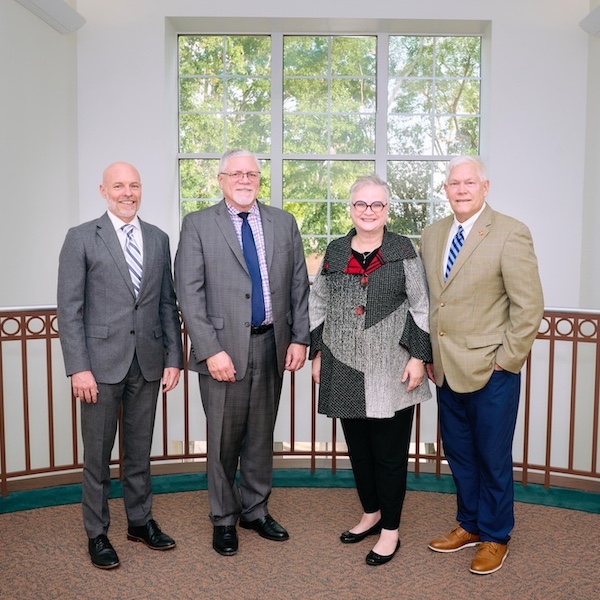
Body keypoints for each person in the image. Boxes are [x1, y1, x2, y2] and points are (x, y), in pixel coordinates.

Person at [174, 149, 310, 557]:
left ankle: (254, 509)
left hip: (272, 344)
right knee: (223, 440)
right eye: (236, 173)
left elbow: (299, 285)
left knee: (259, 435)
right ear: (221, 179)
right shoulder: (198, 225)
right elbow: (189, 295)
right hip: (222, 352)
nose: (245, 179)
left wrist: (300, 338)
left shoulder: (283, 223)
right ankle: (224, 518)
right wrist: (210, 350)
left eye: (252, 173)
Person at [420, 155, 544, 575]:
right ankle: (469, 524)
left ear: (485, 187)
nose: (461, 189)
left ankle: (495, 536)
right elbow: (436, 300)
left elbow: (528, 307)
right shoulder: (433, 234)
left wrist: (506, 362)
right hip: (446, 369)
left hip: (492, 371)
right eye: (453, 183)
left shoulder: (510, 232)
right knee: (459, 454)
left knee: (492, 456)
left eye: (469, 182)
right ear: (446, 190)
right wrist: (430, 357)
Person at [57, 162, 184, 569]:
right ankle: (97, 533)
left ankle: (139, 522)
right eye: (119, 186)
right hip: (97, 367)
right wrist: (78, 367)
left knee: (139, 453)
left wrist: (173, 358)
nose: (127, 193)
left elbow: (167, 303)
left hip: (147, 363)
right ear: (103, 190)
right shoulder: (80, 238)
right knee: (97, 455)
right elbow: (70, 309)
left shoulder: (158, 238)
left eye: (134, 185)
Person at [309, 174, 432, 566]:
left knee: (389, 456)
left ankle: (391, 530)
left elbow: (421, 306)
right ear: (351, 208)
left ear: (387, 210)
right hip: (343, 365)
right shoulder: (335, 250)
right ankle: (371, 514)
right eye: (361, 204)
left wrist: (417, 355)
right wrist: (317, 354)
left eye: (377, 204)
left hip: (393, 369)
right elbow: (318, 303)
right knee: (359, 453)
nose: (368, 211)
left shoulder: (403, 249)